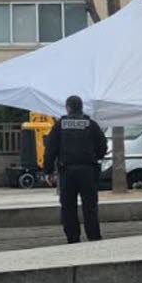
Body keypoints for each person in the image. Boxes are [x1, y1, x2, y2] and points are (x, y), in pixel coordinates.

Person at [44, 95, 108, 243]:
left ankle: (73, 238)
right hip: (88, 171)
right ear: (81, 107)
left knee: (68, 207)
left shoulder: (60, 125)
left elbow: (51, 149)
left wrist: (48, 171)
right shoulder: (90, 124)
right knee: (90, 206)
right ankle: (94, 236)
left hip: (67, 172)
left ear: (68, 108)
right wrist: (95, 156)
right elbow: (102, 146)